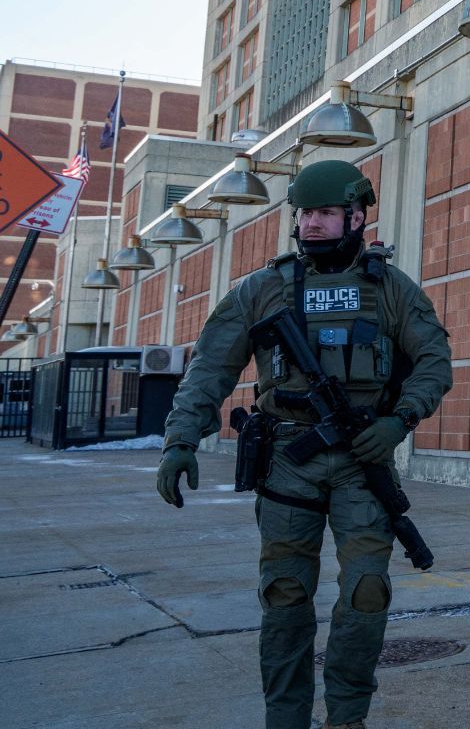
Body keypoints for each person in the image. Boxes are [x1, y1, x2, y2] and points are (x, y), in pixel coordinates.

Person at [156, 160, 453, 729]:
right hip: (288, 461)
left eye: (324, 213)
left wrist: (400, 421)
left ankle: (346, 717)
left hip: (362, 462)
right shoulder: (263, 288)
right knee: (286, 596)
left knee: (367, 592)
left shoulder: (390, 289)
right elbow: (210, 368)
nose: (311, 224)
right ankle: (285, 718)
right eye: (304, 213)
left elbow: (434, 363)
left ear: (357, 216)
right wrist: (180, 440)